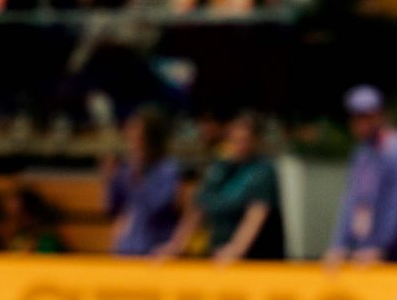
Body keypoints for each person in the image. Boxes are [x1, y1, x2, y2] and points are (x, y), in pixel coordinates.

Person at [324, 85, 397, 266]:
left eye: (366, 115)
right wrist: (338, 245)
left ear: (380, 115)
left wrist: (382, 248)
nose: (360, 122)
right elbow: (351, 200)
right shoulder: (361, 152)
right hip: (360, 250)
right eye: (356, 116)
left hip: (390, 256)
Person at [181, 110, 286, 262]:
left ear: (256, 141)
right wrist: (177, 246)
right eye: (235, 140)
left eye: (245, 140)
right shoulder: (220, 168)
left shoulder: (263, 171)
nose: (240, 145)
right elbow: (198, 209)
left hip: (254, 261)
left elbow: (256, 214)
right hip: (217, 253)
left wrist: (235, 249)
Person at [104, 105, 185, 256]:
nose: (132, 136)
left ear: (151, 136)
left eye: (137, 131)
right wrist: (110, 179)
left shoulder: (168, 170)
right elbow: (113, 208)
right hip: (127, 247)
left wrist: (139, 178)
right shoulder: (127, 169)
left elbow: (159, 207)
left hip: (155, 247)